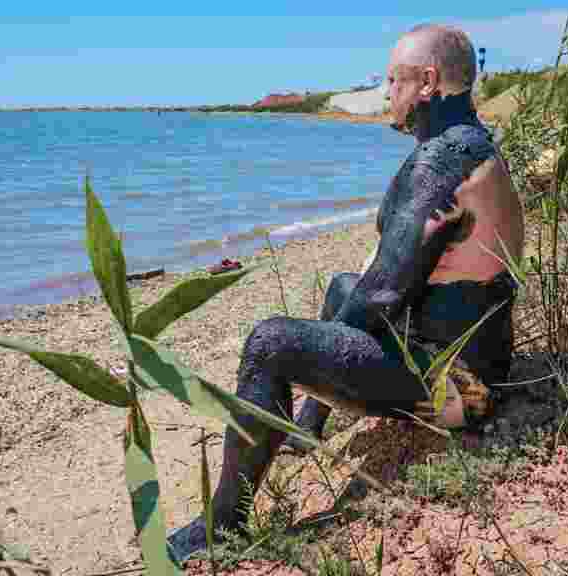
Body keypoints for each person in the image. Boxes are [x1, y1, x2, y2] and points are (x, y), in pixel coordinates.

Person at [168, 23, 525, 563]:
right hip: (478, 356)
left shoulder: (440, 163)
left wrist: (308, 356)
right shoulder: (470, 145)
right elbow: (384, 287)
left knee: (269, 343)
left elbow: (382, 296)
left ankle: (222, 527)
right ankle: (303, 426)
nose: (388, 92)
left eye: (393, 80)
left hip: (463, 389)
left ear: (427, 83)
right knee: (341, 286)